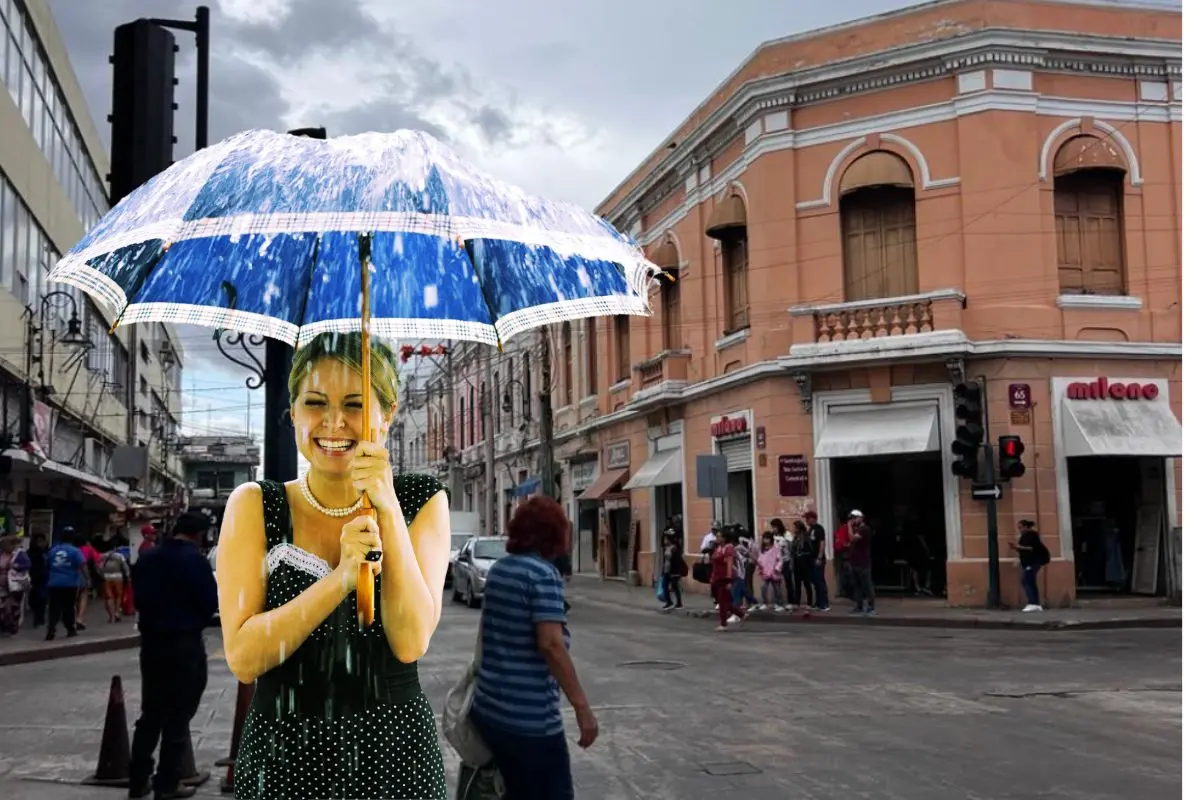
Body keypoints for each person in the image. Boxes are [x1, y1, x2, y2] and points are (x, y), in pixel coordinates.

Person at [217, 332, 450, 800]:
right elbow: (244, 659)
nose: (334, 422)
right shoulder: (256, 506)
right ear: (294, 414)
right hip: (282, 760)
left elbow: (410, 642)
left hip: (396, 758)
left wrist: (386, 509)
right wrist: (341, 578)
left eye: (356, 404)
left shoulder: (421, 501)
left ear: (388, 415)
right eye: (316, 402)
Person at [471, 497, 597, 798]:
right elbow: (551, 645)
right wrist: (583, 709)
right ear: (554, 535)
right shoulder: (542, 575)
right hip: (529, 720)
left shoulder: (501, 569)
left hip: (490, 709)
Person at [128, 512, 218, 800]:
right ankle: (167, 783)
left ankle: (138, 780)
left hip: (152, 644)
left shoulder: (148, 558)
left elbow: (139, 599)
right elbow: (208, 603)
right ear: (201, 534)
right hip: (184, 645)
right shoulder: (195, 561)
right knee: (177, 717)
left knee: (150, 715)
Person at [45, 531, 85, 640]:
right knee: (68, 607)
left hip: (54, 583)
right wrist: (87, 579)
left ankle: (51, 630)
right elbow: (82, 565)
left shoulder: (53, 551)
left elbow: (48, 565)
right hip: (69, 583)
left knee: (54, 608)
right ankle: (70, 629)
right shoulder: (75, 551)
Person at [1010, 519, 1049, 612]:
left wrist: (1017, 547)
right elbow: (1024, 550)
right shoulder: (1025, 536)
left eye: (1021, 527)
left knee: (1026, 580)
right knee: (1031, 581)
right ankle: (1036, 604)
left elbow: (1032, 548)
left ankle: (1032, 603)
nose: (1019, 530)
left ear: (1026, 527)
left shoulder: (1032, 535)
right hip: (1029, 562)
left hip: (1034, 561)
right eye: (1018, 528)